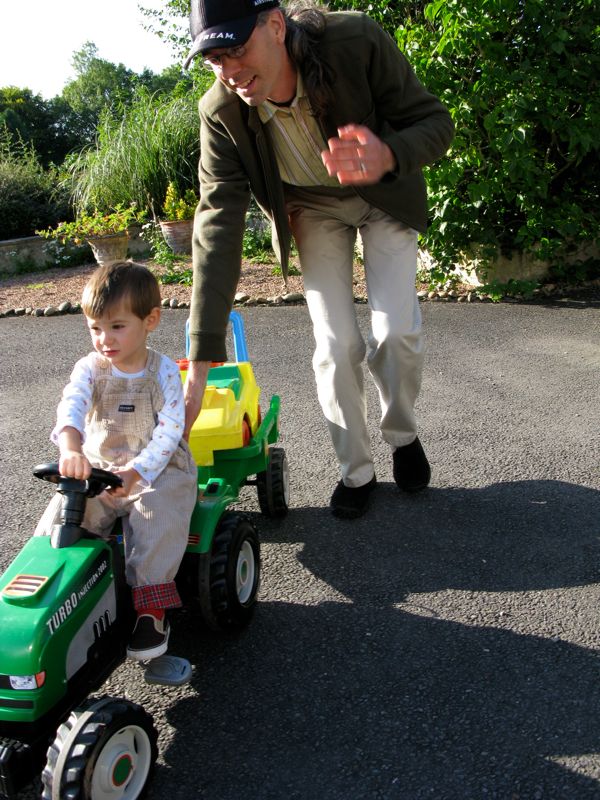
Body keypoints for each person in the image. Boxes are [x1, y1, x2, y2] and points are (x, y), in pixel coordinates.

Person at [183, 0, 454, 518]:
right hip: (310, 207)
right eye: (216, 60)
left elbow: (435, 122)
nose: (231, 72)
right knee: (335, 345)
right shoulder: (220, 113)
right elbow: (216, 225)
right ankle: (357, 471)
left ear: (276, 25)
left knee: (396, 330)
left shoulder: (354, 42)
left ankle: (402, 434)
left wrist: (389, 153)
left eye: (238, 49)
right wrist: (202, 353)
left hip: (382, 193)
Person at [35, 261, 198, 660]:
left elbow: (170, 429)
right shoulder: (89, 369)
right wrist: (70, 449)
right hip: (101, 467)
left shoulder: (163, 372)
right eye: (95, 328)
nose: (104, 339)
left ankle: (151, 608)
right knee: (63, 514)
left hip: (157, 469)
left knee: (156, 517)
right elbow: (70, 409)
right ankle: (55, 598)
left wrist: (138, 471)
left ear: (151, 320)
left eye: (117, 326)